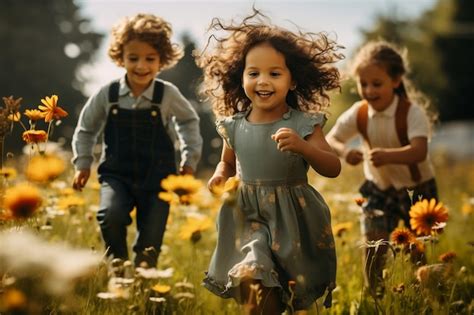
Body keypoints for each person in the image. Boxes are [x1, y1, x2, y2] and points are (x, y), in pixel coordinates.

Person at [196, 10, 343, 314]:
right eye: (254, 73)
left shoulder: (305, 123)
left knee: (293, 288)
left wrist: (304, 148)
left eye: (274, 73)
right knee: (251, 276)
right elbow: (227, 162)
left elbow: (333, 167)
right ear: (241, 77)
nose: (263, 81)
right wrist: (219, 176)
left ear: (292, 81)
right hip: (247, 214)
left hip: (294, 216)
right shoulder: (234, 125)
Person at [71, 13, 202, 268]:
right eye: (133, 58)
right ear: (121, 58)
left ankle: (144, 281)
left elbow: (188, 121)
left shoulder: (167, 94)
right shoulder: (108, 94)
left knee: (151, 240)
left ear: (161, 60)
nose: (141, 65)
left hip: (158, 179)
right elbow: (86, 128)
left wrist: (190, 160)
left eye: (150, 59)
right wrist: (82, 163)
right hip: (116, 175)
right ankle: (118, 269)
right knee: (110, 215)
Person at [326, 40, 438, 295]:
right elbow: (331, 140)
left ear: (396, 81)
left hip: (418, 189)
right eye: (363, 84)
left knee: (417, 252)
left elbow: (419, 150)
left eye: (376, 84)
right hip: (378, 189)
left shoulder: (411, 113)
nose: (368, 90)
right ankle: (375, 296)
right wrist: (345, 152)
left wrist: (387, 156)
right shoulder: (359, 113)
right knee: (374, 246)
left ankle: (424, 296)